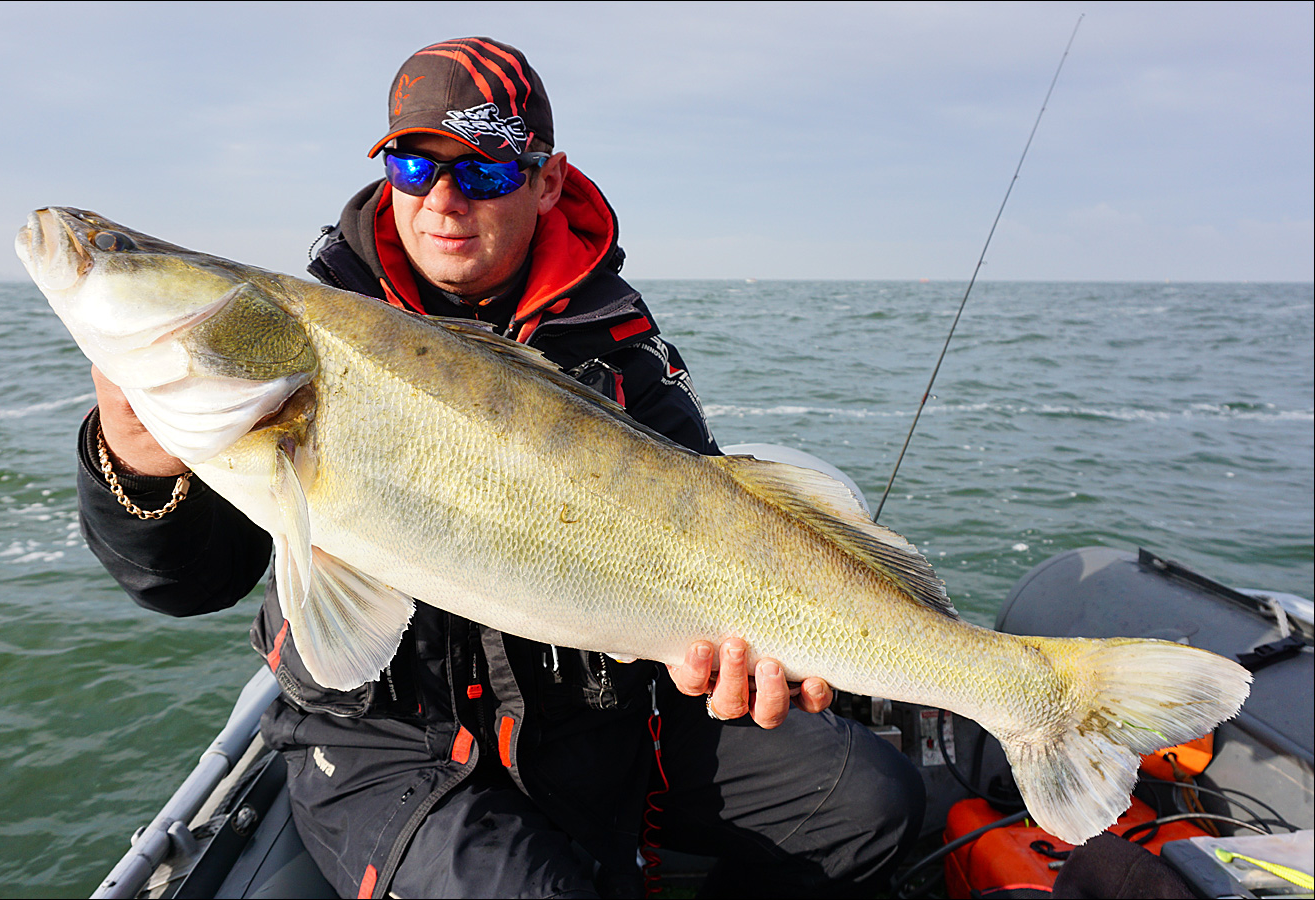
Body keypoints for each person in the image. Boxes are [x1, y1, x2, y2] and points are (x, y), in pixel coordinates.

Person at [78, 37, 924, 898]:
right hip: (388, 743)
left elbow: (718, 529)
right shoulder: (311, 341)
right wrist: (141, 472)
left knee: (871, 803)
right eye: (414, 165)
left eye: (482, 173)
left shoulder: (626, 357)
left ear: (547, 181)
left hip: (601, 721)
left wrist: (737, 666)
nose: (443, 201)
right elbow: (190, 584)